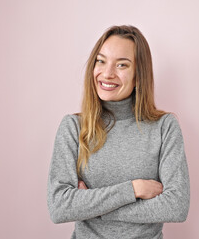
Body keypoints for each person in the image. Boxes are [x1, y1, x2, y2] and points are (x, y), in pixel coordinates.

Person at [47, 25, 190, 239]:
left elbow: (176, 206)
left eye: (122, 65)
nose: (107, 73)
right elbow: (59, 207)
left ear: (138, 76)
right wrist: (133, 189)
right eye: (101, 61)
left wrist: (93, 209)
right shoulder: (73, 127)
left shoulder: (164, 127)